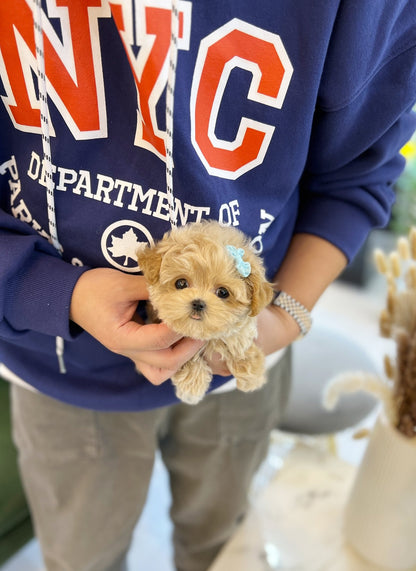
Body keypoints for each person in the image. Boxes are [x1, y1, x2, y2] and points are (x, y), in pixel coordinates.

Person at [1, 1, 415, 570]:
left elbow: (360, 170)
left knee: (223, 549)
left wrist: (282, 317)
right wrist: (49, 290)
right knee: (81, 557)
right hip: (53, 369)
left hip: (244, 366)